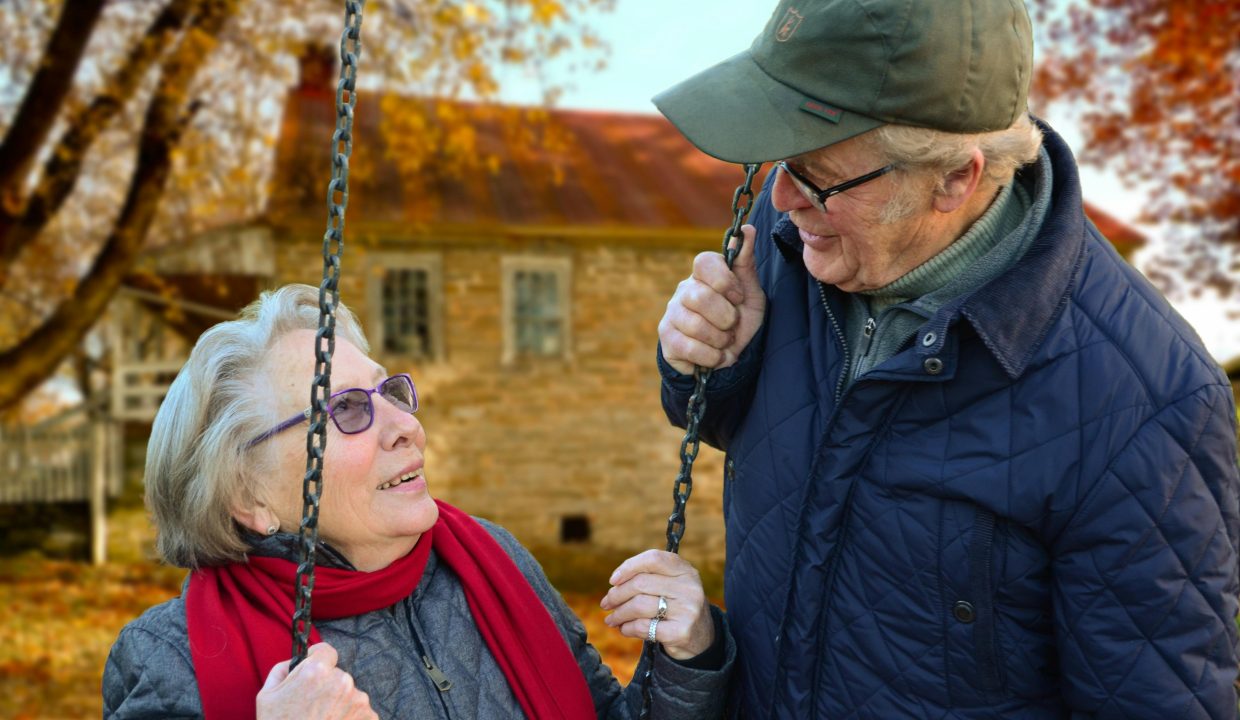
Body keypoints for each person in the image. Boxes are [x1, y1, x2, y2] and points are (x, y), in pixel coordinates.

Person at [652, 1, 1240, 718]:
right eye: (781, 160)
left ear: (955, 180)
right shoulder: (791, 240)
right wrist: (705, 361)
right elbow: (734, 426)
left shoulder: (1147, 402)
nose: (781, 199)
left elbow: (1154, 701)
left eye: (817, 175)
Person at [103, 284, 734, 719]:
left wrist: (687, 659)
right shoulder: (170, 656)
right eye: (346, 410)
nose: (404, 424)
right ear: (248, 495)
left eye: (390, 392)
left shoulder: (491, 563)